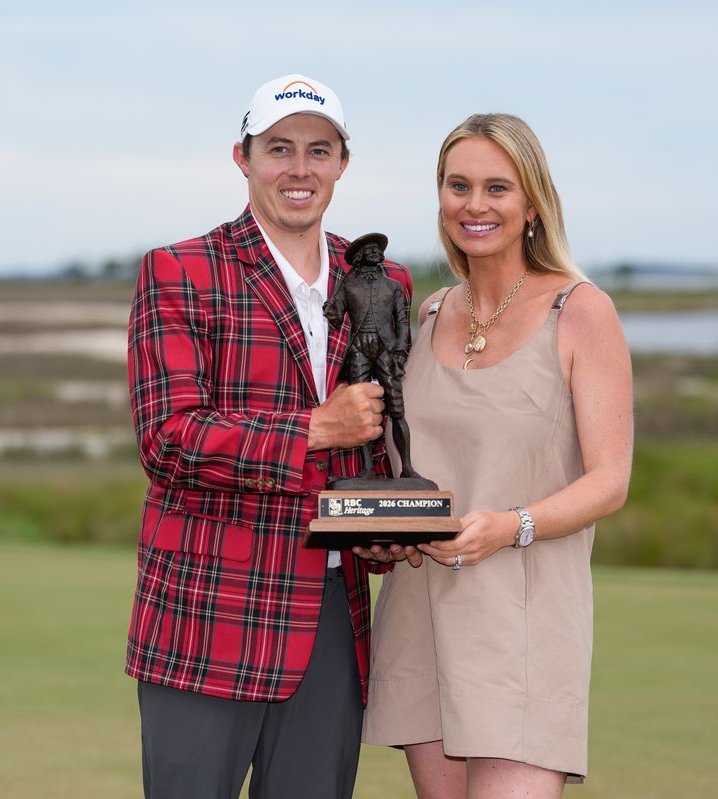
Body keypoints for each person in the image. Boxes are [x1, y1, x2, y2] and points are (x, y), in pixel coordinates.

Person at [126, 73, 413, 799]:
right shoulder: (181, 271)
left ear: (342, 164)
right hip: (208, 616)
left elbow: (380, 442)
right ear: (243, 157)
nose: (299, 168)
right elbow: (170, 437)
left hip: (330, 622)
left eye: (319, 151)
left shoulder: (380, 278)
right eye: (278, 148)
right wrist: (314, 428)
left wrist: (384, 530)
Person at [360, 113, 633, 797]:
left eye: (497, 188)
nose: (474, 205)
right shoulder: (425, 315)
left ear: (533, 203)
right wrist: (380, 532)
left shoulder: (580, 310)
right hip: (422, 613)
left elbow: (610, 480)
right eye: (459, 186)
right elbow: (406, 469)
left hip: (525, 626)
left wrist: (510, 524)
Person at [322, 233, 419, 481]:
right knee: (362, 407)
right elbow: (334, 316)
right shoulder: (348, 285)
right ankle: (367, 468)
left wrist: (399, 349)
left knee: (397, 408)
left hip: (386, 348)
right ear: (360, 256)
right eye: (370, 249)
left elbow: (402, 322)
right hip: (358, 349)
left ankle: (407, 467)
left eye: (378, 248)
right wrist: (330, 310)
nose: (375, 252)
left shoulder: (394, 286)